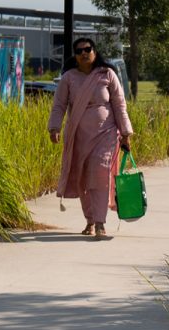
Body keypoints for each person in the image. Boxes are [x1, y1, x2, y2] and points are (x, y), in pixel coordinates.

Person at [47, 36, 134, 239]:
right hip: (78, 134)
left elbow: (120, 105)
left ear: (95, 52)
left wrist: (126, 133)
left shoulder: (107, 74)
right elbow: (59, 105)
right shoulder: (69, 78)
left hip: (107, 133)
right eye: (79, 51)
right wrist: (54, 128)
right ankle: (90, 220)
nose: (84, 53)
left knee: (100, 174)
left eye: (87, 49)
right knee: (83, 178)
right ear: (75, 56)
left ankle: (100, 222)